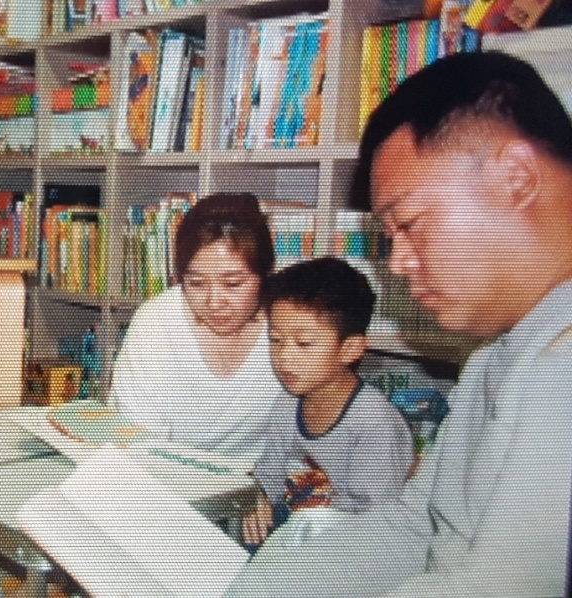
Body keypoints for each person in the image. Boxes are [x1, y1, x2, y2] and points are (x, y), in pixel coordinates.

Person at [225, 51, 572, 597]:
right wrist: (260, 584)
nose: (398, 262)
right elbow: (416, 525)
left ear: (517, 178)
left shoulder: (561, 365)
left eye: (409, 224)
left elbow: (501, 588)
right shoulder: (496, 355)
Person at [243, 257, 414, 548]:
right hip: (293, 538)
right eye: (276, 340)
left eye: (304, 343)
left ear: (350, 349)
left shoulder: (373, 421)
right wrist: (258, 502)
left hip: (351, 549)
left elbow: (376, 522)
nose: (284, 357)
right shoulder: (287, 403)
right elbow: (269, 476)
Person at [109, 193, 284, 460]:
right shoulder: (157, 325)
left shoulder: (290, 323)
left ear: (265, 275)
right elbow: (136, 448)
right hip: (166, 483)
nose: (214, 302)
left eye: (233, 284)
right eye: (197, 283)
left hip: (267, 490)